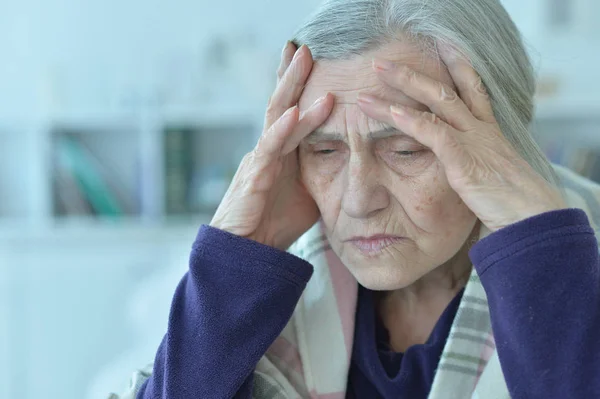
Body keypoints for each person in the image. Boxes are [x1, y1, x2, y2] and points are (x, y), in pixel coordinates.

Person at [109, 0, 600, 398]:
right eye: (324, 149)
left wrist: (542, 259)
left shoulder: (576, 265)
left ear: (504, 144)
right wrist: (233, 268)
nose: (359, 201)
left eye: (407, 149)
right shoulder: (263, 284)